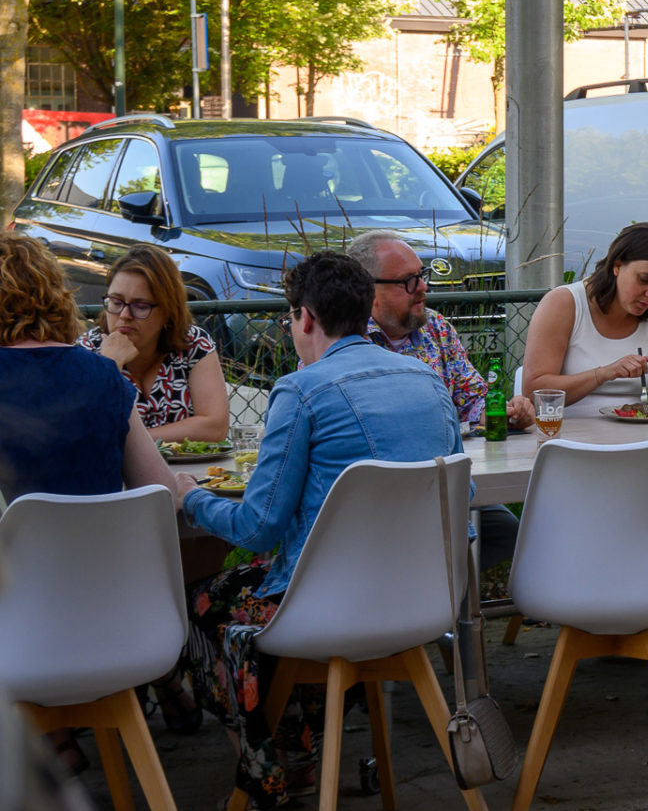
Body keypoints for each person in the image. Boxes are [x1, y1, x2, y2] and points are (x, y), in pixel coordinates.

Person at [175, 251, 465, 809]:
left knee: (209, 604)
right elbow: (462, 496)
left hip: (330, 607)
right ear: (364, 312)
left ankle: (275, 767)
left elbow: (259, 528)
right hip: (423, 601)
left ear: (304, 317)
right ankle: (302, 751)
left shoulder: (301, 390)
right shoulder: (429, 380)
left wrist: (193, 499)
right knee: (270, 592)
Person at [0, 232, 181, 775]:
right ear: (55, 295)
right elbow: (164, 496)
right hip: (120, 628)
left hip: (19, 638)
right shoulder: (105, 377)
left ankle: (53, 744)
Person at [347, 230, 530, 572]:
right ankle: (418, 598)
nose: (424, 288)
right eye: (408, 281)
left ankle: (435, 598)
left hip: (443, 487)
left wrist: (505, 412)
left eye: (422, 275)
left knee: (508, 533)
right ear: (367, 290)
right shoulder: (341, 339)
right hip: (374, 499)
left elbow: (474, 399)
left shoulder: (437, 330)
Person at [522, 223, 648, 418]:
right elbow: (533, 391)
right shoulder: (564, 303)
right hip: (566, 440)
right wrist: (602, 374)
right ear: (617, 265)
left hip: (637, 441)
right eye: (644, 280)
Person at [76, 244, 229, 443]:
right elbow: (84, 433)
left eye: (140, 306)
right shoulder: (86, 351)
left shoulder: (192, 343)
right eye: (116, 302)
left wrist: (136, 445)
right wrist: (110, 366)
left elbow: (214, 427)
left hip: (193, 471)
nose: (124, 315)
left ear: (167, 311)